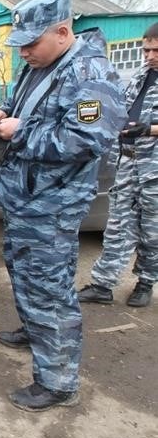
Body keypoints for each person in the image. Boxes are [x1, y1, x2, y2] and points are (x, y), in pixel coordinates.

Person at [0, 0, 127, 411]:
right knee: (24, 273)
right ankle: (34, 331)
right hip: (24, 197)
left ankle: (59, 382)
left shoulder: (91, 74)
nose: (23, 52)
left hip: (53, 203)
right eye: (19, 44)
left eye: (30, 43)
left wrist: (19, 131)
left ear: (62, 31)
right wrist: (0, 117)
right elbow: (19, 109)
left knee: (50, 288)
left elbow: (87, 140)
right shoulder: (40, 65)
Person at [77, 23, 158, 308]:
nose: (148, 55)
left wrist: (150, 129)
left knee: (152, 230)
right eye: (146, 49)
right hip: (128, 162)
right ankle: (102, 284)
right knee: (117, 225)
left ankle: (145, 282)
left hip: (154, 170)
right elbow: (118, 108)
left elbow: (147, 126)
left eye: (155, 50)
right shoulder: (140, 76)